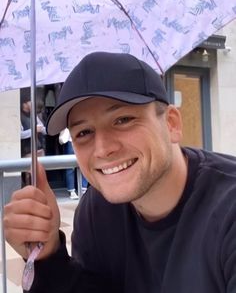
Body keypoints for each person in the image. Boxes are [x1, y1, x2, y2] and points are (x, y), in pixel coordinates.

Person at [4, 52, 236, 293]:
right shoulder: (96, 210)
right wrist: (48, 256)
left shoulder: (228, 209)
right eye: (84, 133)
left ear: (171, 124)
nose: (103, 149)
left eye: (123, 120)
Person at [20, 93, 46, 185]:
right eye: (31, 102)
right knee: (29, 176)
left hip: (39, 149)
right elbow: (20, 135)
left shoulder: (34, 115)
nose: (33, 104)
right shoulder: (19, 116)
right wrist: (33, 130)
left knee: (41, 174)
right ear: (25, 103)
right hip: (28, 151)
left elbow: (43, 129)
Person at [59, 128, 87, 199]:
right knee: (70, 167)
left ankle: (82, 189)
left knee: (84, 165)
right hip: (71, 140)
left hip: (81, 139)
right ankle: (73, 191)